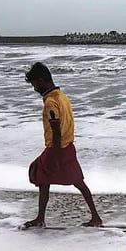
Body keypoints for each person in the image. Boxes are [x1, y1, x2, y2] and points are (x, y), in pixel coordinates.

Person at [24, 62, 102, 229]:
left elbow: (56, 131)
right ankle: (95, 217)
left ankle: (40, 219)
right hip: (68, 146)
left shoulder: (51, 102)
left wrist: (55, 157)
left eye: (34, 84)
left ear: (41, 81)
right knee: (76, 182)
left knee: (38, 173)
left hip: (56, 148)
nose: (35, 88)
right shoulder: (62, 96)